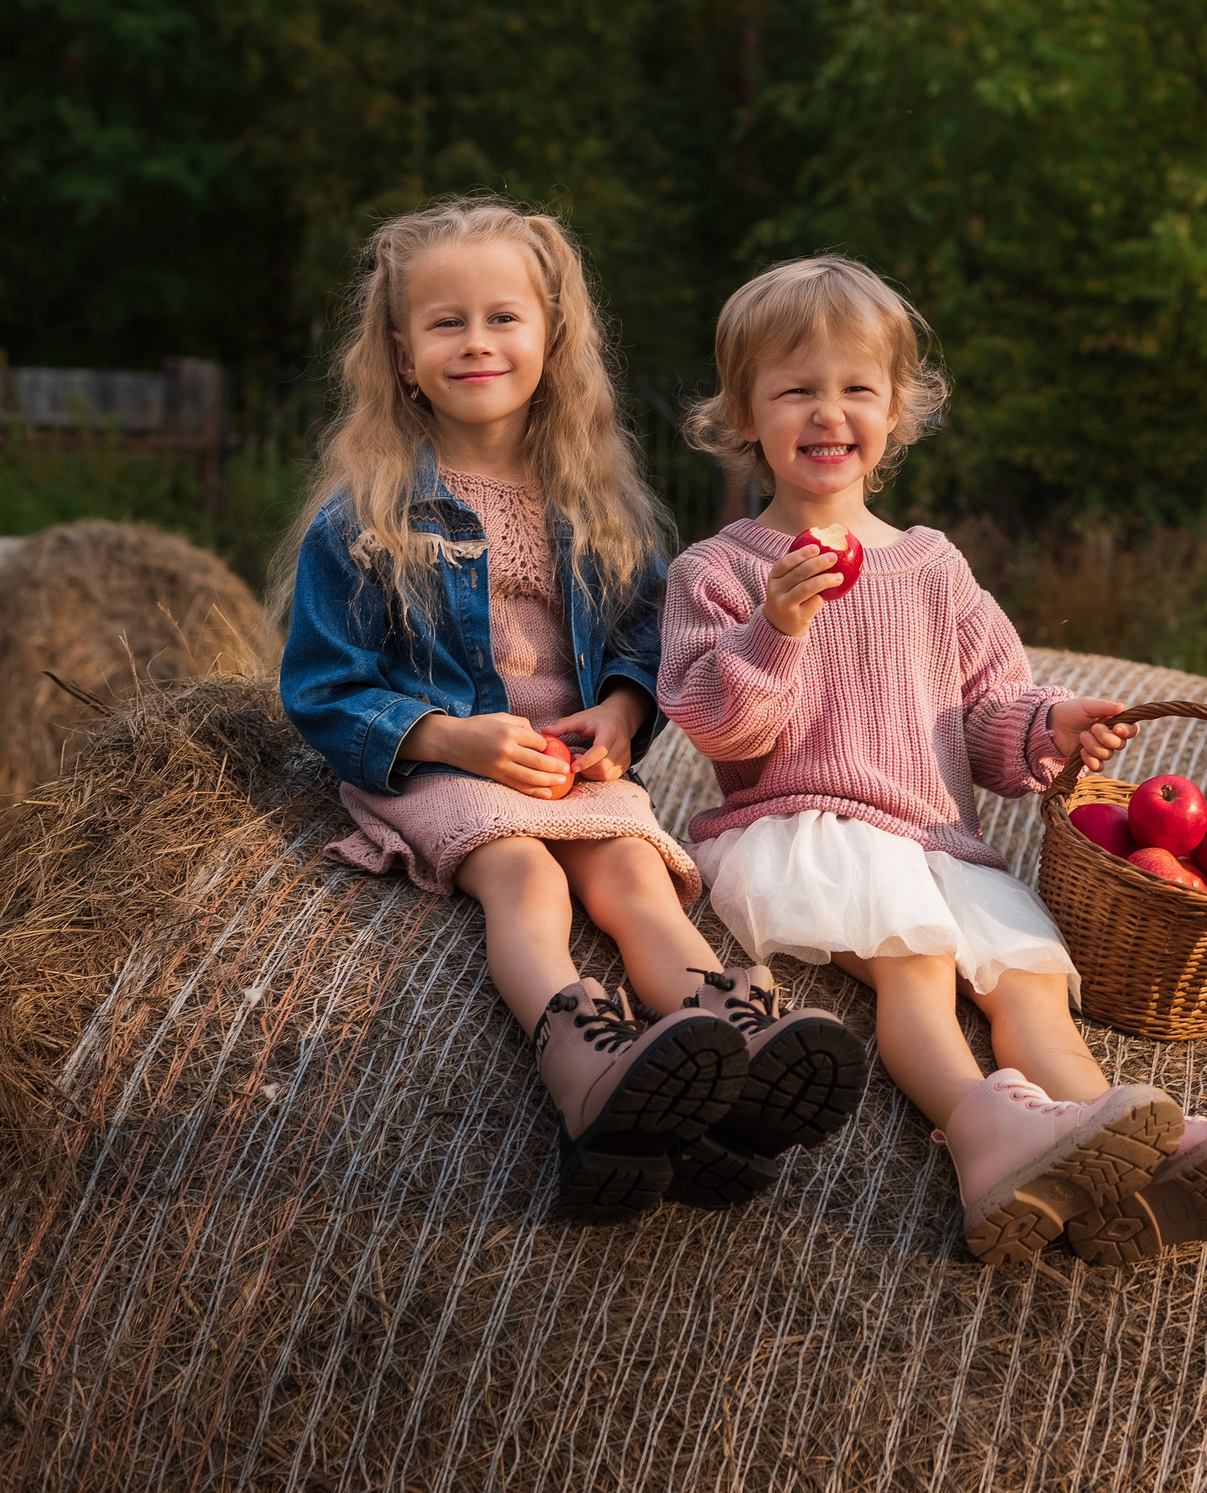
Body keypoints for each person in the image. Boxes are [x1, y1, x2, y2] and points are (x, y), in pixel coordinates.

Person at [660, 255, 1207, 1265]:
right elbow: (714, 725)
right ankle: (979, 1127)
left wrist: (1052, 728)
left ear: (897, 412)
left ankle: (1137, 1150)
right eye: (795, 390)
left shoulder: (932, 566)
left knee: (1029, 984)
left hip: (935, 841)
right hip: (808, 825)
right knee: (915, 967)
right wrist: (774, 630)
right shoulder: (722, 569)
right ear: (743, 415)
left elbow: (988, 711)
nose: (827, 414)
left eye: (855, 389)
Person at [274, 198, 864, 1221]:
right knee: (520, 876)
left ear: (551, 339)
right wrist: (450, 736)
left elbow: (644, 636)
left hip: (570, 760)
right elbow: (322, 688)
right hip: (446, 766)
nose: (477, 341)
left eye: (504, 317)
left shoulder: (592, 502)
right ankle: (580, 1060)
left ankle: (730, 1034)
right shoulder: (361, 521)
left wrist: (624, 718)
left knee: (637, 873)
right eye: (446, 322)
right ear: (401, 355)